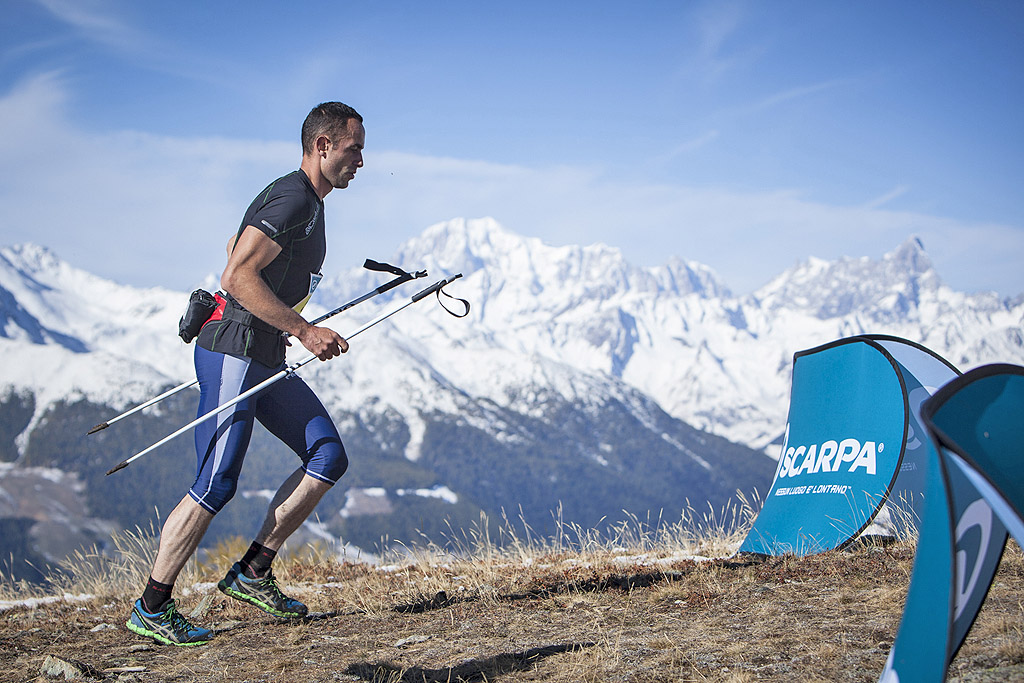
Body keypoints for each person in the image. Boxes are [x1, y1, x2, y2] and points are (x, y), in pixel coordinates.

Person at [126, 102, 365, 646]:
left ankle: (253, 572)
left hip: (263, 351)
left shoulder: (307, 201)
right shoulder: (294, 197)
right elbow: (236, 274)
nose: (360, 162)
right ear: (323, 145)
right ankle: (152, 607)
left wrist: (285, 322)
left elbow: (234, 248)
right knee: (216, 481)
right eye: (353, 150)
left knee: (328, 455)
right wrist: (303, 330)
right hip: (234, 347)